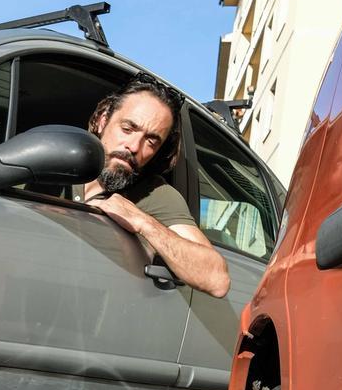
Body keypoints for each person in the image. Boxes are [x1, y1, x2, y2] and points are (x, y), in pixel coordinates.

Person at [74, 73, 230, 299]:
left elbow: (217, 280)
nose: (134, 146)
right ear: (102, 119)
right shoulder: (62, 165)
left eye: (151, 141)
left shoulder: (155, 194)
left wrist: (141, 220)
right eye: (128, 128)